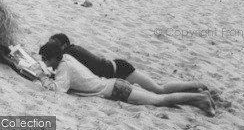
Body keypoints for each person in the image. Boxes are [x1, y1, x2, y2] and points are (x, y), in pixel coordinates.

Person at [37, 41, 215, 116]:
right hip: (115, 83)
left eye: (45, 59)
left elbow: (58, 89)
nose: (44, 62)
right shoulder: (67, 58)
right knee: (158, 94)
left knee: (159, 99)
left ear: (53, 58)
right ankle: (200, 97)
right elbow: (67, 77)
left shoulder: (64, 66)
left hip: (116, 88)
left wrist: (42, 78)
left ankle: (200, 98)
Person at [50, 33, 207, 94]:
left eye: (55, 44)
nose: (53, 47)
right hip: (115, 68)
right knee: (158, 90)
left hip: (120, 70)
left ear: (63, 45)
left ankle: (196, 84)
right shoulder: (72, 50)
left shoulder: (68, 54)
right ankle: (195, 89)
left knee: (159, 89)